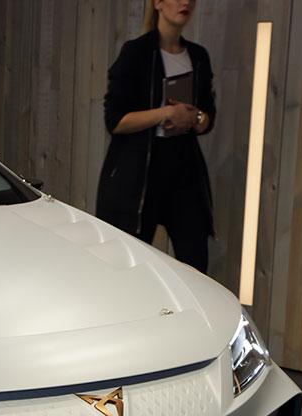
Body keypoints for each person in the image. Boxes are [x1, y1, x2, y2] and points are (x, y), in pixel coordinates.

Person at [96, 0, 216, 274]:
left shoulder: (198, 56)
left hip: (184, 171)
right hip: (138, 175)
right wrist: (166, 114)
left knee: (196, 266)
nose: (186, 3)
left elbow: (208, 119)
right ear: (158, 3)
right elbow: (115, 120)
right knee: (129, 268)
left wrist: (194, 117)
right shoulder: (136, 53)